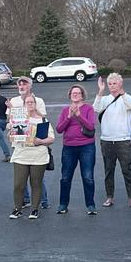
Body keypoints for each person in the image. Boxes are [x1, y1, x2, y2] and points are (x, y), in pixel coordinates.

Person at [94, 73, 131, 208]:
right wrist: (100, 91)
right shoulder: (105, 99)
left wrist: (122, 93)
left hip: (123, 140)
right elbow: (95, 108)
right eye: (110, 84)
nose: (112, 86)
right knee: (108, 170)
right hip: (106, 140)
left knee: (126, 170)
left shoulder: (127, 97)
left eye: (115, 83)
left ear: (120, 83)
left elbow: (130, 106)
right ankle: (109, 197)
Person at [9, 93, 53, 219]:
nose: (29, 104)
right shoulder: (18, 120)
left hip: (38, 155)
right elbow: (11, 137)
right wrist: (11, 133)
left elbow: (51, 138)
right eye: (27, 102)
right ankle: (17, 208)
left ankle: (34, 209)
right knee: (19, 184)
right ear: (23, 105)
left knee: (36, 183)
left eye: (32, 102)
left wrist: (41, 141)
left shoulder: (43, 120)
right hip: (21, 155)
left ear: (35, 104)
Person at [56, 85, 97, 215]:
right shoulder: (64, 110)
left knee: (88, 177)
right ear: (70, 95)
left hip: (87, 146)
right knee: (65, 177)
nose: (75, 95)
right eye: (73, 93)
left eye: (78, 93)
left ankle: (90, 205)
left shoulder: (88, 108)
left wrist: (79, 115)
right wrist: (69, 116)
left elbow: (90, 126)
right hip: (69, 147)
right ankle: (63, 204)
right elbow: (59, 129)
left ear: (82, 95)